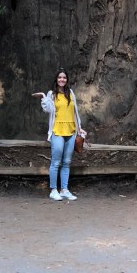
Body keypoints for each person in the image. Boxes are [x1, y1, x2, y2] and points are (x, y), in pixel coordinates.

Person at [32, 68, 86, 201]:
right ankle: (53, 190)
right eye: (60, 77)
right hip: (57, 131)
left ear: (67, 80)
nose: (62, 79)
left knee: (67, 162)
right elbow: (48, 110)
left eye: (64, 77)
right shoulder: (52, 94)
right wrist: (44, 97)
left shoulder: (71, 93)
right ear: (56, 79)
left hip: (71, 131)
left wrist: (79, 128)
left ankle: (64, 190)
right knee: (56, 162)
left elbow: (75, 112)